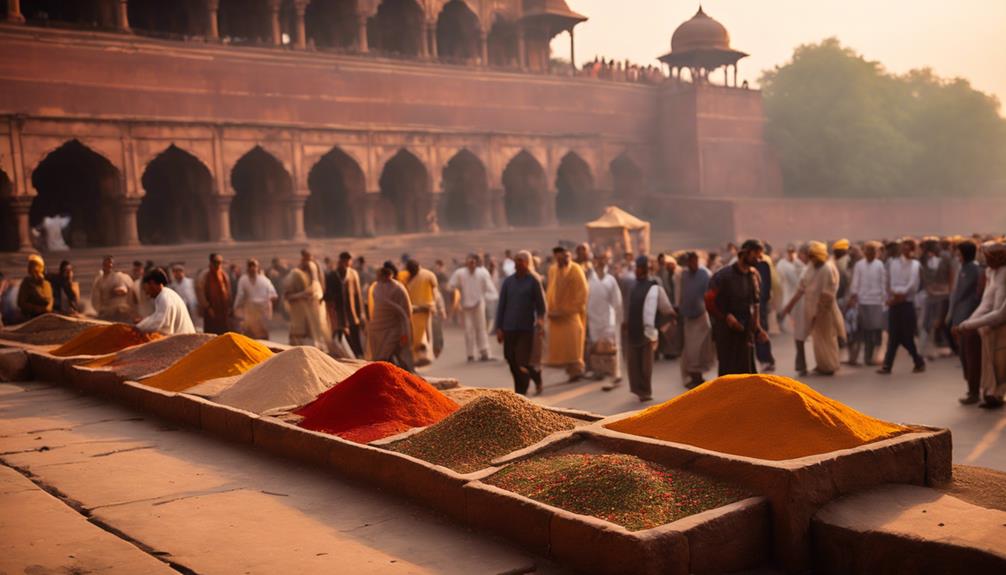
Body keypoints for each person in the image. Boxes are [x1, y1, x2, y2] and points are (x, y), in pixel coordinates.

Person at [782, 241, 846, 375]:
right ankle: (822, 365)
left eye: (813, 257)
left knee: (827, 337)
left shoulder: (827, 269)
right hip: (811, 309)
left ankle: (830, 365)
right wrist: (788, 307)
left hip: (825, 310)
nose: (811, 260)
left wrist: (818, 313)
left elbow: (828, 294)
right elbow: (801, 289)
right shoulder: (810, 267)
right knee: (817, 339)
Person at [705, 239, 767, 376]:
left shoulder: (754, 276)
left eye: (760, 255)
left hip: (745, 330)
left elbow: (755, 304)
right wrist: (726, 316)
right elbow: (709, 301)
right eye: (755, 254)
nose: (758, 258)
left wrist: (757, 329)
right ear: (745, 253)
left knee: (746, 371)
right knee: (728, 371)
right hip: (726, 331)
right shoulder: (723, 276)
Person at [956, 241, 1006, 409]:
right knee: (986, 362)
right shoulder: (991, 271)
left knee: (998, 365)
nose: (984, 259)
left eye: (987, 256)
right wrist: (968, 324)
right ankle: (986, 393)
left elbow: (1000, 313)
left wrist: (969, 324)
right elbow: (986, 303)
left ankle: (995, 395)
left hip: (1000, 327)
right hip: (989, 325)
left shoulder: (1004, 274)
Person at [496, 251, 547, 395]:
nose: (518, 263)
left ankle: (522, 390)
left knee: (522, 360)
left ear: (528, 262)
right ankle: (527, 380)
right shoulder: (508, 282)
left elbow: (541, 305)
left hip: (526, 328)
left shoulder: (533, 280)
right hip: (509, 327)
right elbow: (502, 306)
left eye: (521, 260)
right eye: (516, 260)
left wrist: (541, 319)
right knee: (510, 358)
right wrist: (499, 328)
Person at [622, 256, 673, 401]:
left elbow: (664, 306)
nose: (636, 271)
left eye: (638, 268)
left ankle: (645, 391)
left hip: (647, 331)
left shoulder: (654, 284)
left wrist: (669, 316)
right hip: (633, 329)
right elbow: (628, 305)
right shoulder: (633, 286)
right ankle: (638, 390)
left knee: (645, 365)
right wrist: (625, 322)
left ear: (644, 268)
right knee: (633, 364)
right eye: (635, 268)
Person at [878, 239, 926, 375]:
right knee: (893, 335)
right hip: (895, 301)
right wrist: (892, 296)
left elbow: (912, 285)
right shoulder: (893, 264)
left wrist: (899, 296)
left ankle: (918, 361)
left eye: (909, 249)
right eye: (903, 248)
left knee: (906, 336)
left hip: (906, 303)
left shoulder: (915, 265)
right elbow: (890, 281)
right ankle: (888, 365)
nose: (906, 251)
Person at [544, 246, 589, 382]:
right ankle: (571, 371)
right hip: (555, 314)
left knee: (574, 342)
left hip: (571, 314)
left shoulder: (576, 269)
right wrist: (551, 309)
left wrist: (567, 310)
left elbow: (583, 292)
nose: (561, 260)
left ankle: (577, 370)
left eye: (564, 257)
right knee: (561, 345)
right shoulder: (552, 269)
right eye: (558, 258)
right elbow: (550, 290)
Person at [948, 241, 984, 404]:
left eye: (959, 253)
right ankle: (972, 389)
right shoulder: (963, 268)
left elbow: (966, 297)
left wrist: (959, 320)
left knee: (969, 356)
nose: (957, 256)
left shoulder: (973, 270)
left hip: (967, 318)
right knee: (964, 355)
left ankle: (974, 392)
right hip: (960, 316)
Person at [448, 254, 497, 362]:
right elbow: (451, 286)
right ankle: (470, 354)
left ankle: (484, 352)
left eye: (474, 262)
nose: (472, 265)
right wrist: (456, 295)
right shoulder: (460, 273)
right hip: (465, 305)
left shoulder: (482, 273)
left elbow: (489, 287)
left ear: (476, 263)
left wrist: (488, 297)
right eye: (469, 262)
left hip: (479, 303)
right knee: (468, 330)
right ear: (466, 263)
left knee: (481, 328)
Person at [367, 262, 414, 371]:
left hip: (394, 328)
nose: (377, 278)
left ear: (387, 276)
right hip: (378, 328)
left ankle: (406, 377)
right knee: (386, 357)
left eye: (379, 276)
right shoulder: (376, 287)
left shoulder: (399, 288)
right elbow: (376, 308)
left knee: (385, 356)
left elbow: (407, 310)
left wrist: (404, 330)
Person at [678, 252, 714, 388]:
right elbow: (680, 293)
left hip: (701, 318)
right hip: (688, 318)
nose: (692, 264)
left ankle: (698, 377)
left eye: (694, 261)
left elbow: (709, 295)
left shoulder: (705, 274)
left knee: (700, 349)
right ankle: (692, 377)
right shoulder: (684, 275)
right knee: (690, 350)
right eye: (689, 262)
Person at [848, 241, 887, 366]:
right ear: (865, 253)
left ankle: (874, 356)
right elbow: (855, 282)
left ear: (875, 253)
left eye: (872, 252)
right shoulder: (859, 265)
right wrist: (854, 296)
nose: (870, 254)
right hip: (863, 301)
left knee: (876, 330)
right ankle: (867, 357)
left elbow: (883, 283)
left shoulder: (880, 265)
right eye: (868, 252)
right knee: (866, 331)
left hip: (876, 302)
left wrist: (884, 299)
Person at [585, 251, 622, 382]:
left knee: (609, 346)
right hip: (593, 319)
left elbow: (617, 301)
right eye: (598, 259)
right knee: (595, 347)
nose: (600, 262)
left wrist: (619, 318)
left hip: (608, 319)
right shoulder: (590, 279)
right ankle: (598, 371)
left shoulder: (611, 280)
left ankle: (613, 371)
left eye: (603, 259)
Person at [284, 251, 330, 351]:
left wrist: (307, 293)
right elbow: (288, 295)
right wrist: (301, 295)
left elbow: (315, 283)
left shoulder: (312, 268)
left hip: (311, 306)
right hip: (302, 310)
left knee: (313, 331)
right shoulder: (297, 274)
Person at [920, 237, 954, 358]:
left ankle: (945, 346)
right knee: (927, 322)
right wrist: (928, 287)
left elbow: (951, 273)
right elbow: (923, 275)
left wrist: (950, 290)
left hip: (943, 294)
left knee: (940, 321)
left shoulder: (945, 257)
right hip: (931, 295)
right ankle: (929, 348)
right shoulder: (924, 259)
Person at [135, 268, 195, 335]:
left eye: (145, 288)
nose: (146, 292)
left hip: (183, 340)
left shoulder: (165, 298)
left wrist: (138, 328)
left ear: (152, 283)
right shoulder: (165, 294)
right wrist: (143, 323)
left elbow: (159, 323)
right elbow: (156, 317)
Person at [233, 258, 278, 339]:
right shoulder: (243, 280)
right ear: (247, 268)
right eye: (250, 266)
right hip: (250, 312)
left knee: (262, 335)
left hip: (262, 312)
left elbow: (274, 295)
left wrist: (266, 302)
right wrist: (236, 307)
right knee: (250, 335)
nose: (252, 268)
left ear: (258, 268)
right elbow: (240, 295)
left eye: (254, 266)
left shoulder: (264, 280)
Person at [331, 252, 365, 357]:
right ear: (340, 261)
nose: (347, 263)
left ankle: (358, 358)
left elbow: (357, 295)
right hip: (338, 312)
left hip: (352, 312)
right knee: (340, 339)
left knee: (355, 338)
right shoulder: (332, 275)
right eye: (344, 261)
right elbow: (329, 296)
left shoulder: (353, 274)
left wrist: (360, 313)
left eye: (348, 261)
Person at [92, 256, 135, 322]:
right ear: (103, 265)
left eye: (110, 263)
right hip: (104, 310)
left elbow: (124, 290)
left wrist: (116, 291)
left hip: (116, 310)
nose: (108, 265)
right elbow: (96, 294)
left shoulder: (117, 277)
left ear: (112, 265)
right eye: (106, 263)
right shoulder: (99, 279)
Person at [197, 253, 232, 334]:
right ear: (211, 262)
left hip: (223, 309)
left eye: (220, 262)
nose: (218, 264)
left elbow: (228, 291)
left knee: (224, 332)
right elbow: (200, 293)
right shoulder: (205, 275)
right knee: (211, 333)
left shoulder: (223, 275)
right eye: (216, 262)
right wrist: (208, 307)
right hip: (210, 309)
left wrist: (229, 305)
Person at [776, 244, 805, 334]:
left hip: (797, 290)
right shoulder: (782, 264)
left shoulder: (798, 263)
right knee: (786, 306)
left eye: (792, 252)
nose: (791, 254)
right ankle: (784, 325)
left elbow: (803, 273)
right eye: (789, 252)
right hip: (786, 289)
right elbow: (779, 277)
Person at [17, 255, 53, 319]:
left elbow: (47, 301)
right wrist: (37, 309)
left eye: (34, 265)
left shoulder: (46, 284)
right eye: (31, 266)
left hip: (45, 316)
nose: (33, 268)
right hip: (30, 316)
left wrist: (38, 286)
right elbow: (21, 303)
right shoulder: (26, 282)